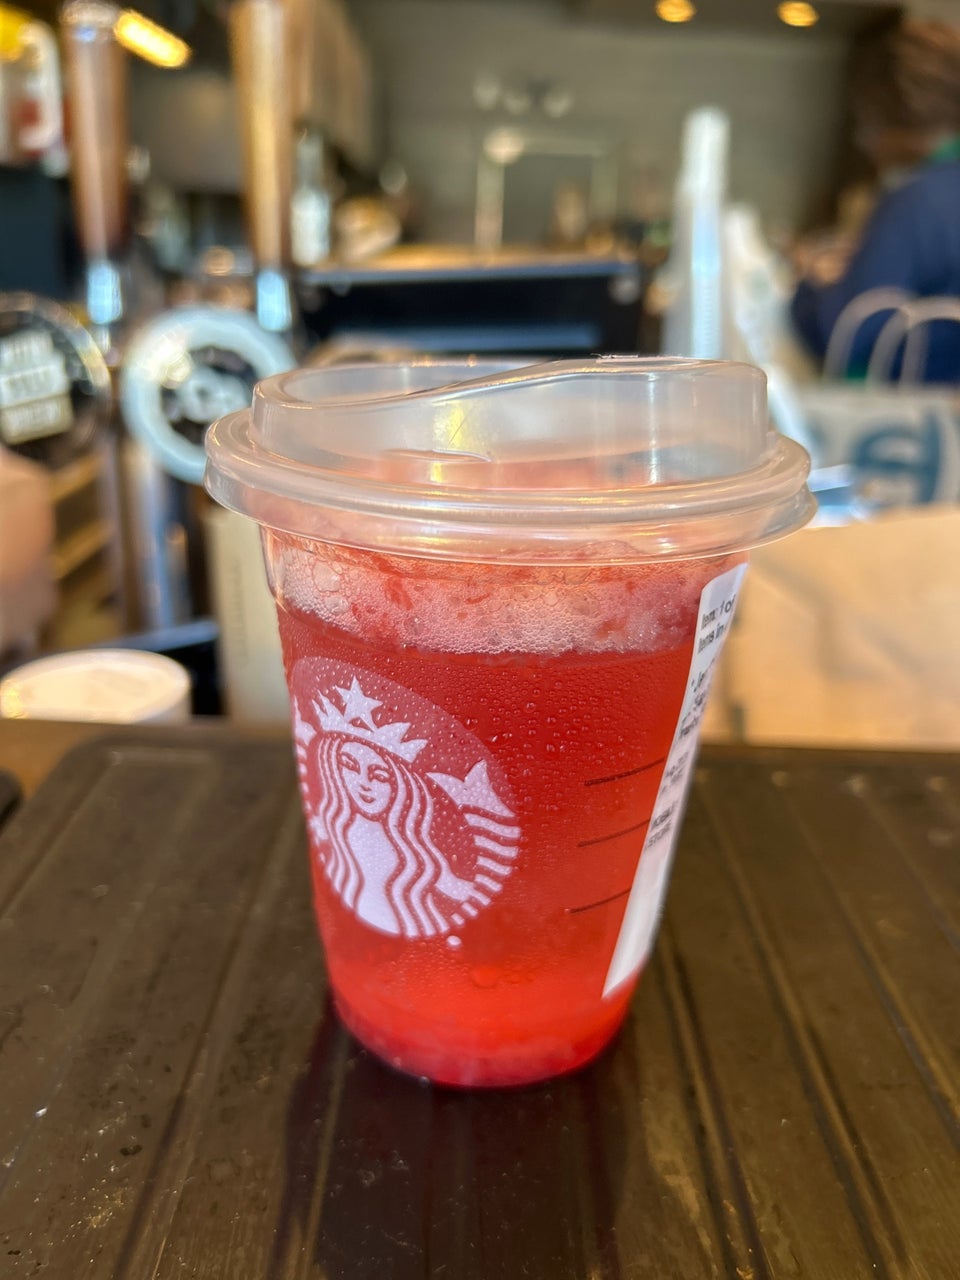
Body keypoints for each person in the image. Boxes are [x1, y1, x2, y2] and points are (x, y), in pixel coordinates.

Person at [791, 18, 960, 383]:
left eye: (867, 117)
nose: (862, 138)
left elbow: (841, 333)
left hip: (918, 407)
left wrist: (806, 285)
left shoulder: (914, 200)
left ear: (898, 109)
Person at [314, 732, 479, 939]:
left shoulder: (415, 850)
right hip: (351, 939)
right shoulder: (333, 825)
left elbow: (457, 889)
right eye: (349, 765)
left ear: (401, 786)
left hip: (439, 948)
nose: (364, 782)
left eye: (380, 776)